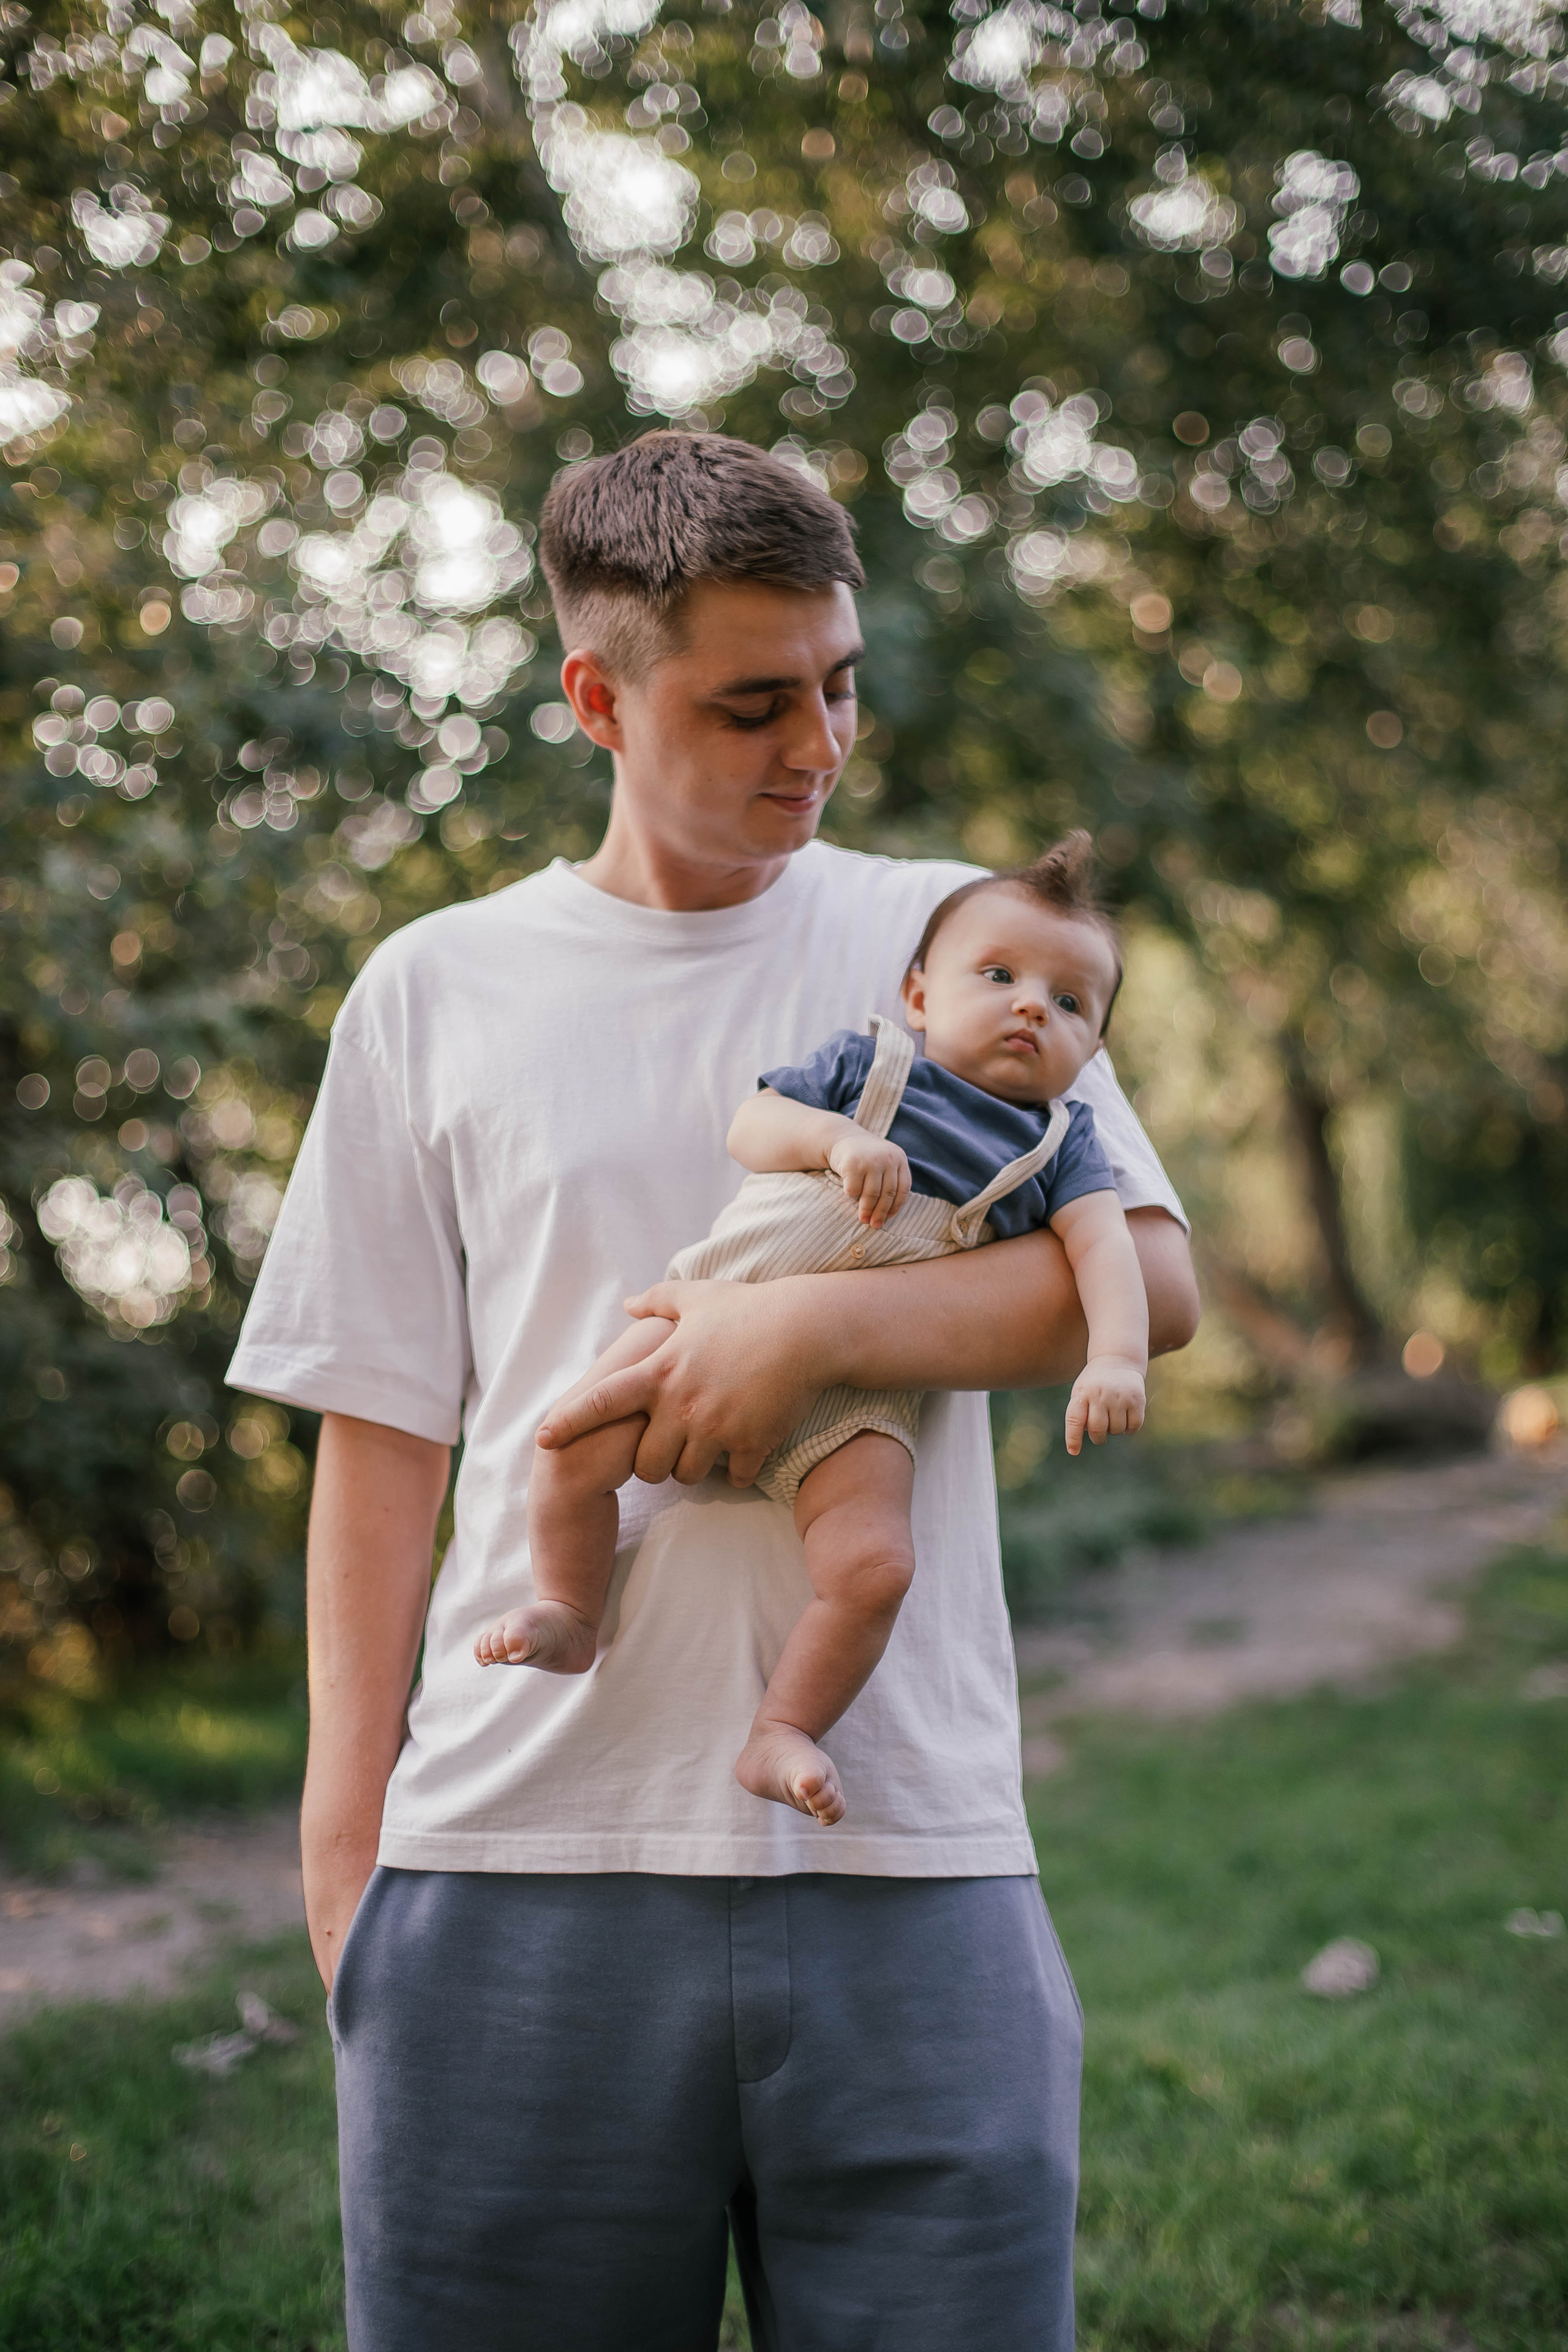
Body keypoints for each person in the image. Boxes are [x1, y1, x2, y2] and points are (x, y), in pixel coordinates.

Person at [227, 429, 1198, 2352]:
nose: (816, 746)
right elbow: (380, 1436)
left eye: (839, 687)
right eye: (753, 703)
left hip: (905, 1837)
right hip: (510, 1865)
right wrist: (350, 1861)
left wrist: (812, 1335)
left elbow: (1148, 1279)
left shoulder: (960, 942)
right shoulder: (437, 988)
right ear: (597, 695)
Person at [476, 835, 1150, 1838]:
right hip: (714, 1306)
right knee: (566, 1446)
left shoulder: (1060, 1145)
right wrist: (837, 1139)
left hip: (865, 1397)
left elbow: (1108, 1254)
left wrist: (1116, 1357)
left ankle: (782, 1729)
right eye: (1000, 976)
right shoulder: (866, 1062)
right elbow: (754, 1125)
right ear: (921, 995)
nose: (1029, 1007)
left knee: (876, 1570)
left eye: (1069, 1002)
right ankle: (571, 1612)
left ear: (1092, 1052)